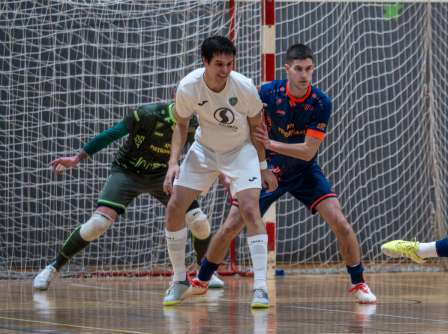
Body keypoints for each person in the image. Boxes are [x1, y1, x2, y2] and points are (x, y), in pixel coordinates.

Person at [208, 43, 376, 304]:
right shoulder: (265, 92)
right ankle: (201, 279)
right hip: (267, 167)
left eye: (309, 69)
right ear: (287, 69)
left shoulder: (321, 102)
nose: (304, 75)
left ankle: (359, 283)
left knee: (340, 223)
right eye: (298, 69)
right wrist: (230, 167)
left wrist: (270, 142)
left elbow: (308, 152)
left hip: (303, 170)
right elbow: (241, 129)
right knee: (231, 224)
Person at [33, 101, 223, 291]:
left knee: (198, 221)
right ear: (177, 96)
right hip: (127, 173)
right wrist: (76, 159)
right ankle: (53, 267)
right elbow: (112, 134)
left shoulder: (194, 125)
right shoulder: (147, 114)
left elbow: (207, 150)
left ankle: (204, 272)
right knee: (97, 224)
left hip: (162, 175)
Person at [162, 35, 277, 309]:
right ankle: (179, 280)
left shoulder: (244, 86)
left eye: (229, 63)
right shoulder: (189, 87)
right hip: (204, 150)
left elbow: (257, 127)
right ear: (205, 62)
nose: (225, 70)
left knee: (250, 209)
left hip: (240, 151)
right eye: (218, 64)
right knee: (175, 207)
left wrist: (262, 167)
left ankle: (261, 287)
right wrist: (173, 162)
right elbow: (180, 124)